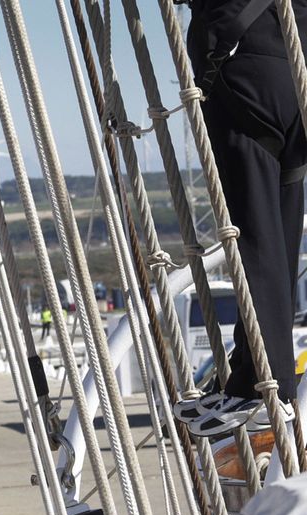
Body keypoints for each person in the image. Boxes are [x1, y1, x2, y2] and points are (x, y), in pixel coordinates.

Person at [177, 0, 307, 436]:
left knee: (255, 238)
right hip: (298, 77)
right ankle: (254, 376)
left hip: (245, 78)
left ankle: (264, 386)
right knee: (280, 237)